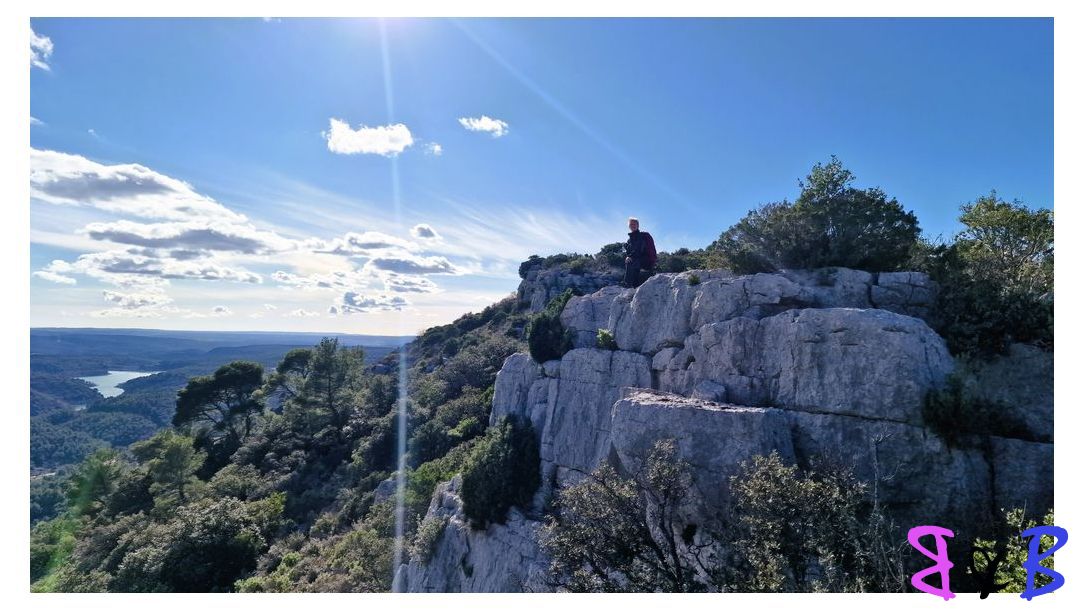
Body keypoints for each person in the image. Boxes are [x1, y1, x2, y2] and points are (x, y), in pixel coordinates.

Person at [623, 217, 657, 288]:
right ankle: (634, 286)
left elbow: (640, 249)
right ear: (629, 226)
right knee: (630, 262)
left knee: (631, 262)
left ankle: (627, 286)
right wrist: (627, 257)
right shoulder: (629, 240)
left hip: (647, 260)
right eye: (631, 224)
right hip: (637, 261)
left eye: (634, 224)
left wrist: (630, 257)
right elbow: (628, 252)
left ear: (638, 225)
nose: (633, 226)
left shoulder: (644, 235)